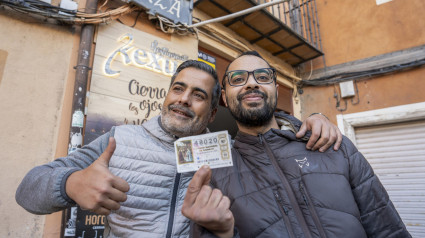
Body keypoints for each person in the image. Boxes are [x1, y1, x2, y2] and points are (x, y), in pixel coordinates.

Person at [16, 60, 341, 238]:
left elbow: (264, 134)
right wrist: (71, 183)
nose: (184, 99)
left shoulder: (227, 150)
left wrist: (311, 119)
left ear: (213, 113)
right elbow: (28, 191)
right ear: (168, 96)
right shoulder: (118, 140)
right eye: (178, 89)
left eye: (198, 95)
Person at [182, 52, 411, 238]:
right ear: (224, 97)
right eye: (238, 79)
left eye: (262, 77)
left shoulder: (334, 144)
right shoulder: (214, 174)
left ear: (276, 89)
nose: (251, 83)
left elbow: (387, 226)